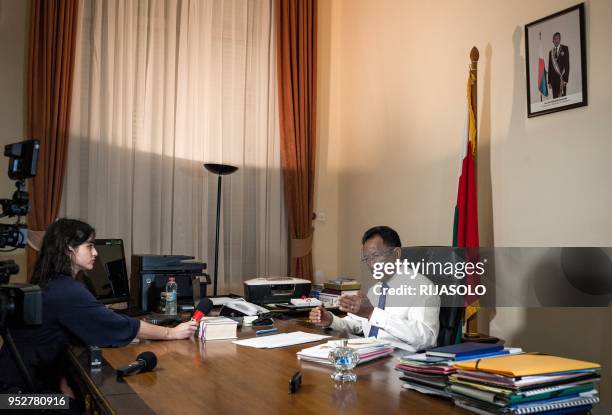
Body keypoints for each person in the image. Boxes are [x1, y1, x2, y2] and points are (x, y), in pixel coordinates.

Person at [0, 219, 198, 395]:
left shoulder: (51, 283)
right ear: (69, 248)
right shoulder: (68, 292)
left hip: (14, 388)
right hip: (17, 399)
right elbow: (118, 325)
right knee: (77, 408)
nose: (95, 252)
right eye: (89, 246)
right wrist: (171, 333)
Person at [309, 226, 440, 351]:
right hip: (370, 356)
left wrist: (372, 313)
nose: (371, 264)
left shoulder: (422, 287)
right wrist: (330, 320)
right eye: (367, 258)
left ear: (396, 254)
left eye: (376, 256)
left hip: (402, 363)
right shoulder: (376, 289)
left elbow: (427, 338)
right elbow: (358, 323)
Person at [547, 32, 569, 98]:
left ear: (560, 39)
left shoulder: (565, 48)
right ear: (552, 40)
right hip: (553, 80)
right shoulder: (551, 52)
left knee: (563, 99)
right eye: (555, 39)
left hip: (562, 78)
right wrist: (549, 81)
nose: (556, 40)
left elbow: (567, 64)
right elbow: (550, 67)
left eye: (558, 38)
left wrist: (565, 79)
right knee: (555, 100)